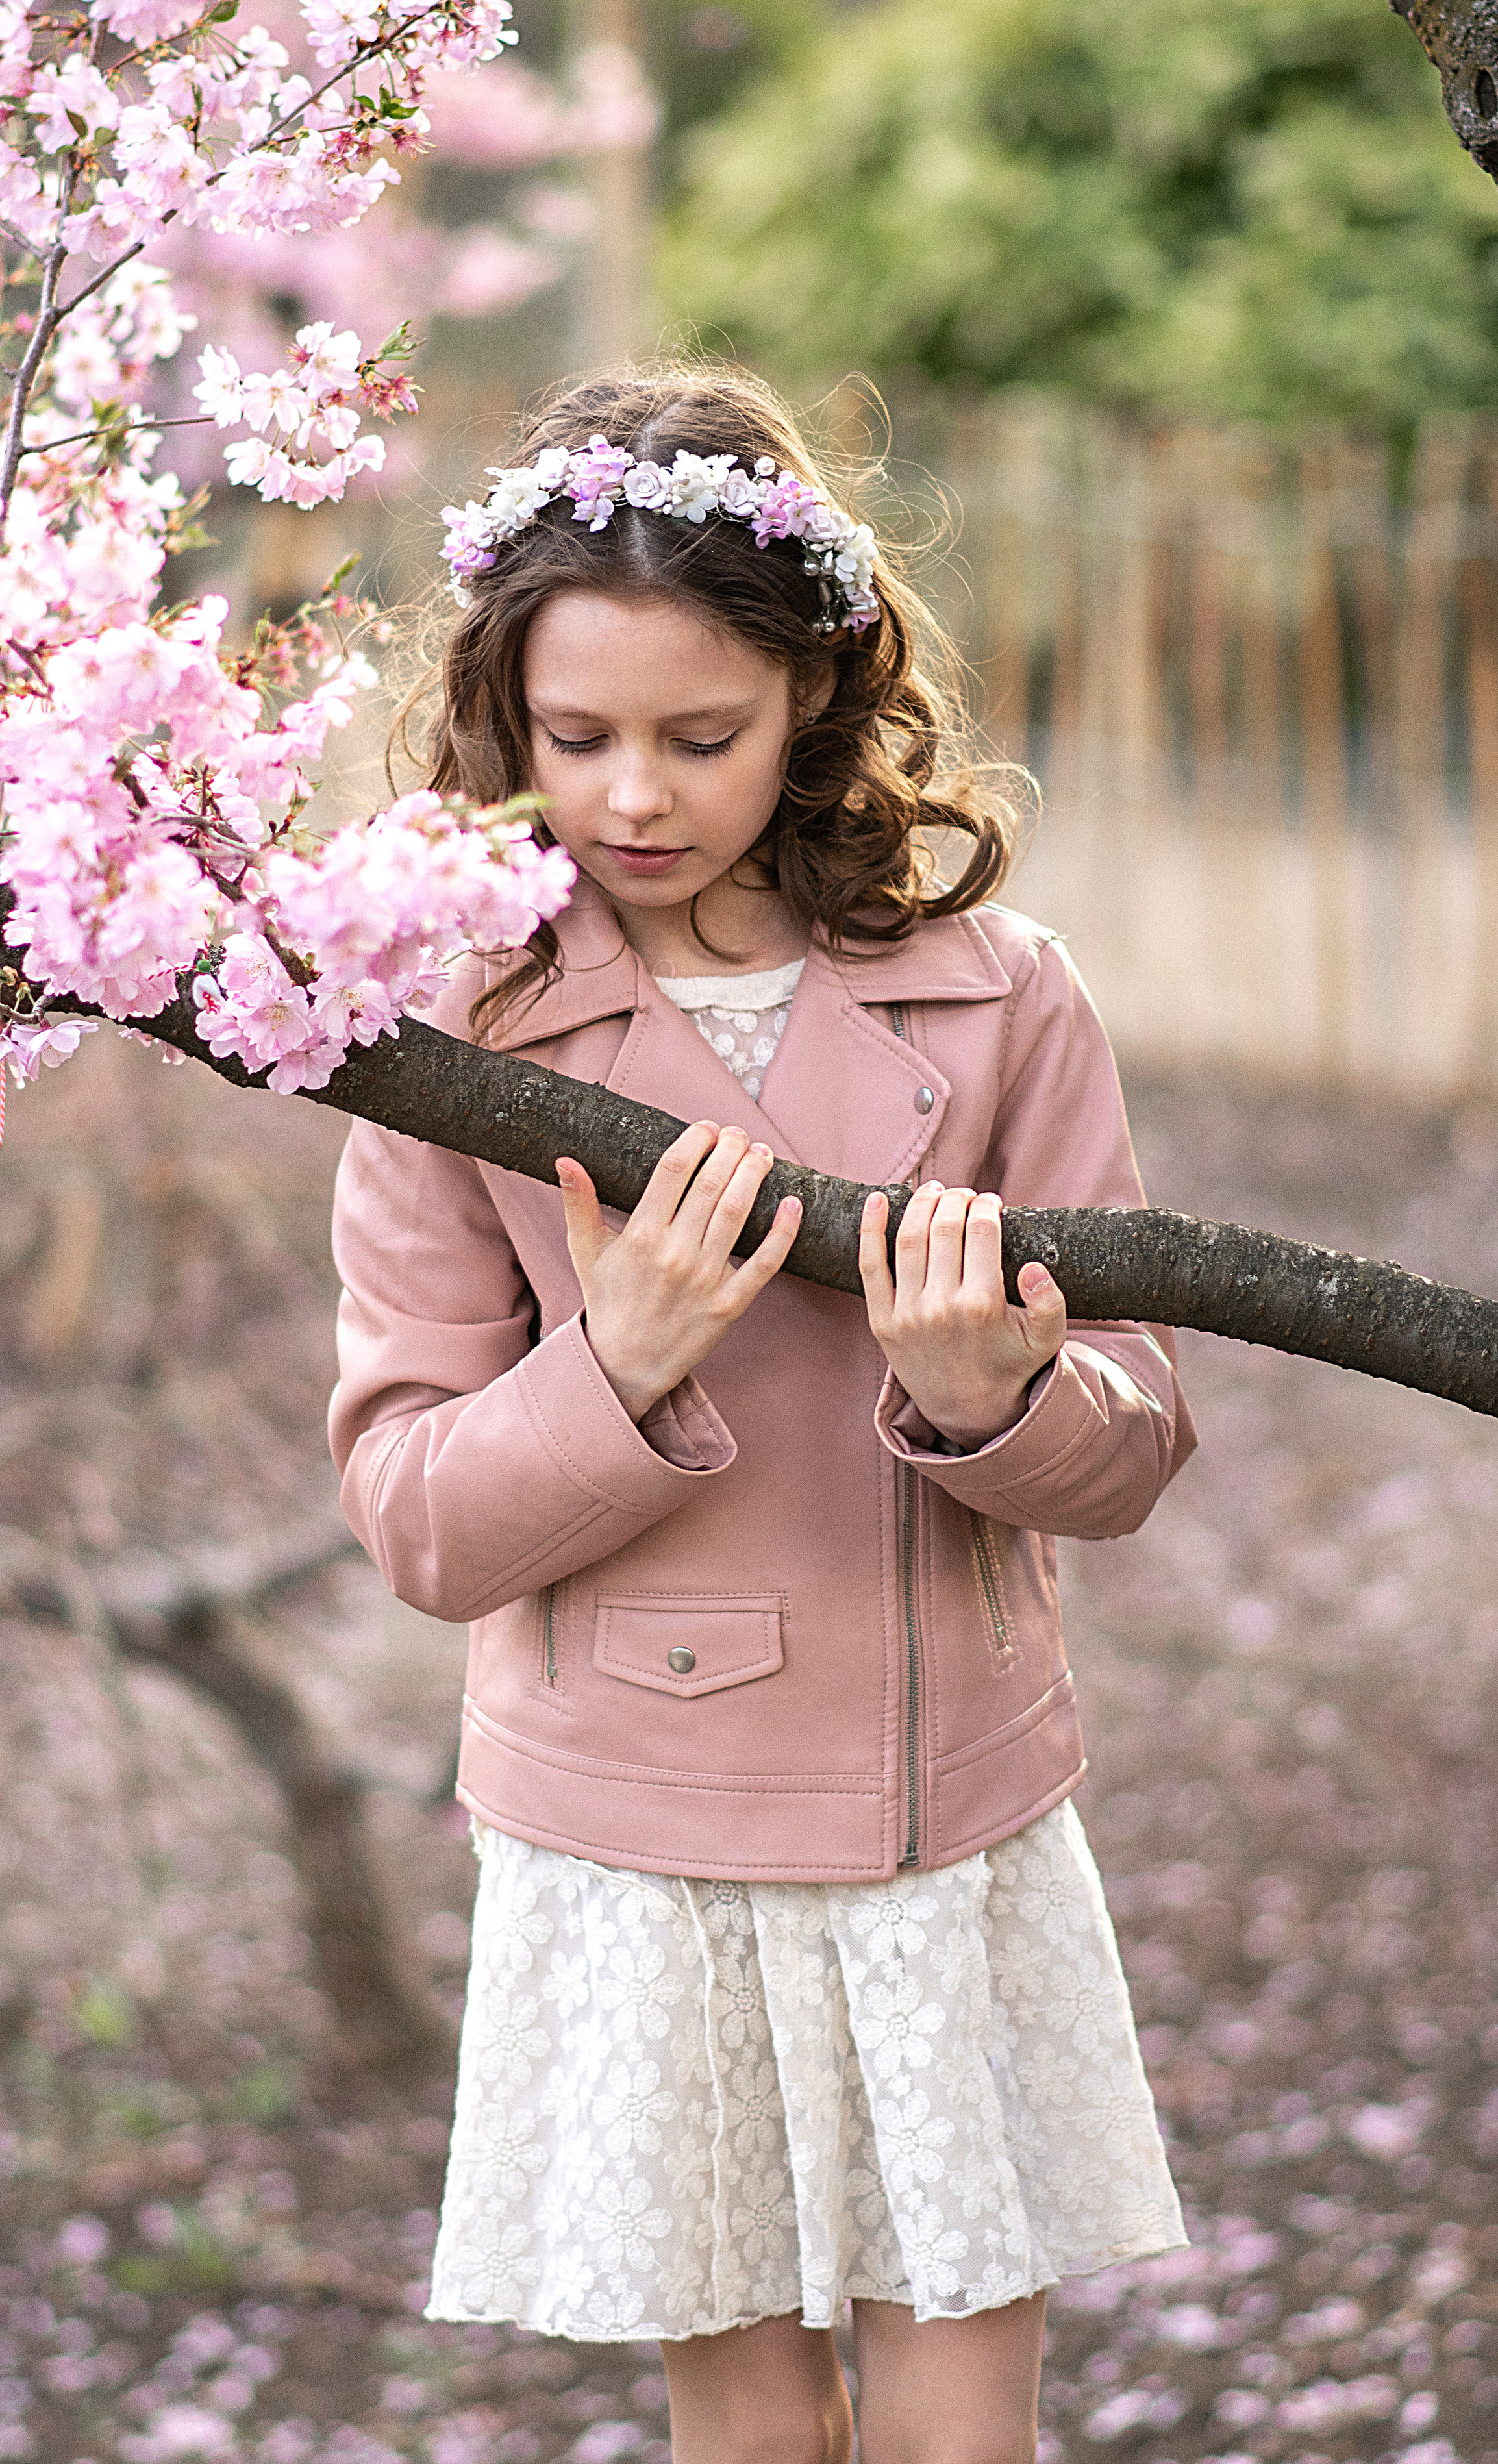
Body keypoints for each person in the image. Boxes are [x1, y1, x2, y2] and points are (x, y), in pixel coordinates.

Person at [328, 364, 1197, 2464]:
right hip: (642, 1824)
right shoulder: (441, 1027)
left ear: (814, 691)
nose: (636, 795)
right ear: (501, 716)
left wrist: (997, 1402)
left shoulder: (1003, 994)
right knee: (745, 2424)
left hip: (938, 1808)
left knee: (960, 2416)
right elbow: (417, 1516)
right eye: (580, 738)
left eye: (700, 738)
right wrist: (608, 1363)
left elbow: (1141, 1435)